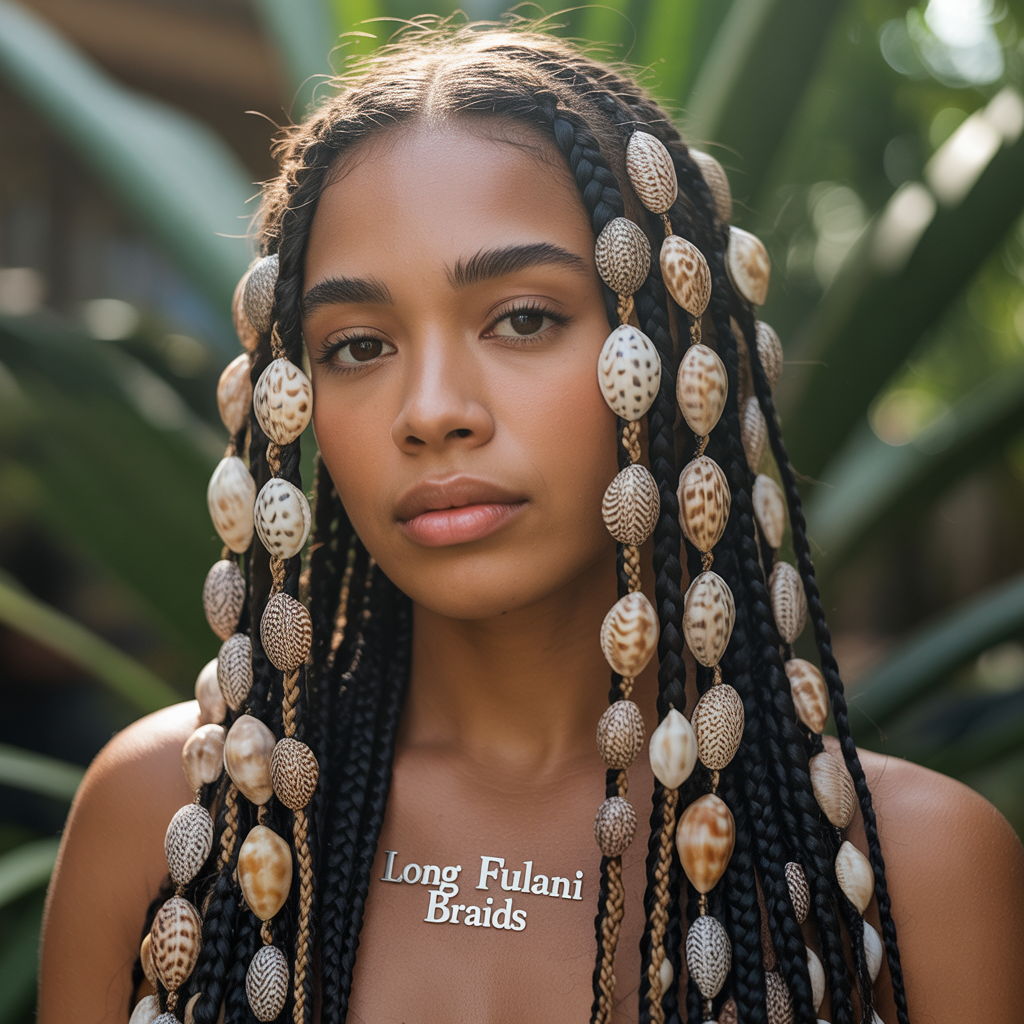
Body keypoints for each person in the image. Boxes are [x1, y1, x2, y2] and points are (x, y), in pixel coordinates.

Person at [37, 21, 1024, 1024]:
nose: (430, 410)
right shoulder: (170, 811)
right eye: (360, 343)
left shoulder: (911, 864)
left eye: (522, 319)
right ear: (294, 397)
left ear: (672, 351)